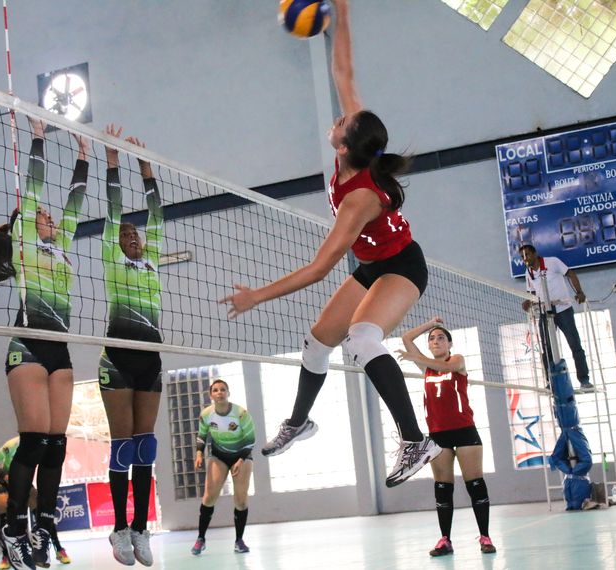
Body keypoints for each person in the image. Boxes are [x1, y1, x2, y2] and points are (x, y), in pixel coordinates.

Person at [220, 0, 440, 488]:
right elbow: (344, 68)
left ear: (344, 147)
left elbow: (319, 269)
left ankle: (413, 439)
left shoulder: (359, 197)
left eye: (341, 125)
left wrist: (256, 295)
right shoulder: (358, 143)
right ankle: (300, 421)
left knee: (363, 338)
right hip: (370, 265)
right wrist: (341, 8)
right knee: (318, 343)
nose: (338, 121)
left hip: (402, 267)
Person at [0, 117, 89, 570]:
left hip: (59, 350)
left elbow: (75, 202)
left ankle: (45, 529)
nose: (47, 217)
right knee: (32, 442)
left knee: (57, 445)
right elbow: (34, 188)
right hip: (27, 344)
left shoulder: (61, 243)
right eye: (40, 215)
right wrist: (40, 139)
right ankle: (13, 531)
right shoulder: (26, 243)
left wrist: (85, 157)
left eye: (48, 216)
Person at [98, 124, 164, 567]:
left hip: (151, 362)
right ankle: (118, 528)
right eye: (123, 235)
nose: (131, 237)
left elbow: (156, 211)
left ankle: (141, 529)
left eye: (134, 234)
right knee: (122, 444)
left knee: (146, 446)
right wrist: (114, 163)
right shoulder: (112, 258)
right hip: (118, 359)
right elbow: (114, 210)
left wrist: (146, 165)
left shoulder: (152, 257)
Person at [398, 318, 496, 556]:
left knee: (475, 484)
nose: (436, 340)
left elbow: (447, 368)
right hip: (438, 434)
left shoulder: (457, 360)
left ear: (450, 343)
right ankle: (445, 540)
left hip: (464, 431)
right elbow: (406, 338)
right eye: (432, 339)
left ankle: (485, 537)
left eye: (441, 337)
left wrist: (418, 358)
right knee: (442, 488)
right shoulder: (427, 368)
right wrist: (430, 324)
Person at [190, 379, 255, 556]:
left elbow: (251, 440)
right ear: (211, 395)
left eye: (223, 390)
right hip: (219, 455)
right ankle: (201, 539)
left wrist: (241, 460)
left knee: (241, 500)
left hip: (242, 455)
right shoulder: (206, 414)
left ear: (228, 393)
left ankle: (239, 541)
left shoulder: (241, 413)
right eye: (216, 390)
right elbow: (202, 435)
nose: (219, 392)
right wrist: (199, 453)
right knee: (209, 497)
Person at [518, 244, 593, 391]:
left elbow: (570, 274)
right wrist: (528, 301)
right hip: (545, 313)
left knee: (575, 344)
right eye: (522, 256)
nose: (525, 258)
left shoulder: (552, 262)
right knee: (547, 349)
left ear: (535, 254)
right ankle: (550, 382)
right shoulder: (528, 273)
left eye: (527, 255)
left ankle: (584, 380)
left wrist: (579, 292)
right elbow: (532, 293)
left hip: (563, 309)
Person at [0, 437, 71, 569]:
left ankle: (58, 549)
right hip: (4, 485)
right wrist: (6, 476)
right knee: (5, 515)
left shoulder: (43, 443)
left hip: (23, 484)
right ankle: (5, 556)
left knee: (43, 513)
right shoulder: (13, 444)